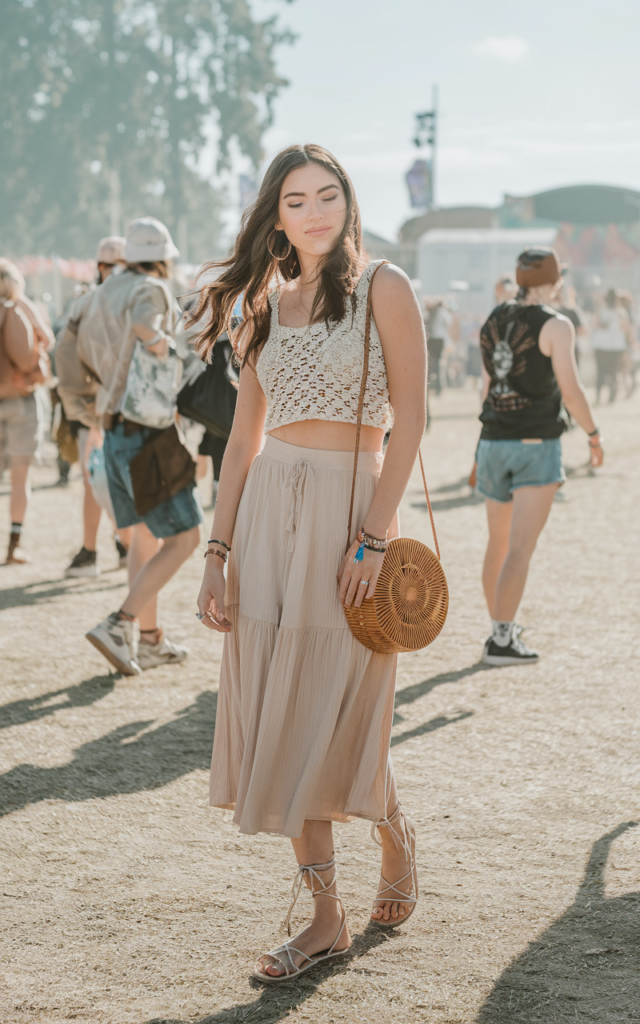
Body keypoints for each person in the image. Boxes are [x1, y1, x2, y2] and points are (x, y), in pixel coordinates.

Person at [190, 144, 427, 981]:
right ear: (276, 215)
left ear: (347, 203)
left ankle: (396, 839)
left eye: (329, 195)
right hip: (265, 519)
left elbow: (413, 418)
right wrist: (216, 553)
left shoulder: (384, 287)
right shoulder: (263, 305)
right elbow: (241, 444)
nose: (317, 211)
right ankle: (325, 915)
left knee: (337, 702)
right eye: (298, 200)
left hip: (345, 515)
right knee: (284, 706)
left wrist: (370, 534)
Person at [83, 218, 202, 673]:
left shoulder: (104, 289)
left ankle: (149, 640)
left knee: (145, 540)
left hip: (111, 428)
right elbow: (142, 326)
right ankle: (122, 623)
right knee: (186, 537)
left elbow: (69, 350)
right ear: (163, 256)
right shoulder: (151, 288)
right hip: (146, 433)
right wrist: (163, 347)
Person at [477, 247, 603, 666]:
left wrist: (480, 445)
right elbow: (572, 390)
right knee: (520, 548)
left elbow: (486, 387)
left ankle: (499, 628)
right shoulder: (556, 324)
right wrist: (593, 434)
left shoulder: (494, 318)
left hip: (493, 440)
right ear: (553, 282)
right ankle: (501, 641)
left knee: (498, 544)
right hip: (535, 445)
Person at [57, 236, 131, 578]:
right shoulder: (136, 298)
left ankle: (104, 549)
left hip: (98, 408)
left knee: (97, 479)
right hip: (119, 408)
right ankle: (120, 547)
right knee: (105, 480)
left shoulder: (88, 302)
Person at [0, 259, 54, 564]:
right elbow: (47, 338)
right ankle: (13, 545)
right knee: (20, 478)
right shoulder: (17, 307)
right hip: (21, 399)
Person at [592, 288, 631, 403]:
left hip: (603, 347)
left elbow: (595, 324)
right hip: (615, 347)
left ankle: (600, 397)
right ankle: (611, 397)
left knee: (601, 373)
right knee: (613, 373)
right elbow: (626, 329)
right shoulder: (621, 312)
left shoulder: (604, 311)